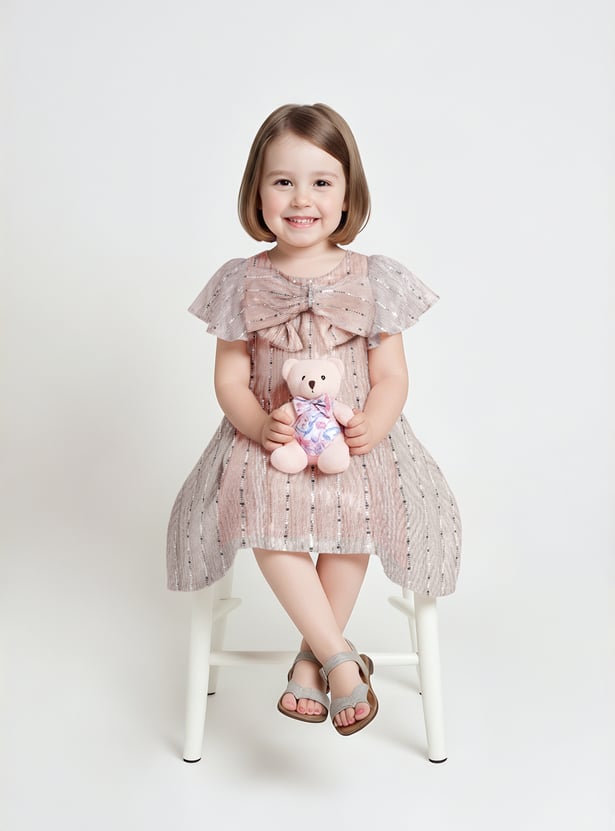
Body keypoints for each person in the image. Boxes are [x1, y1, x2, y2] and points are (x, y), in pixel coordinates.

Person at [167, 103, 461, 736]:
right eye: (283, 181)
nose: (302, 198)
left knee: (359, 508)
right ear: (257, 192)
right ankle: (340, 658)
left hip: (354, 440)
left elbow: (391, 376)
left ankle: (312, 661)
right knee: (258, 505)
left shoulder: (374, 278)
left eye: (321, 182)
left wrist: (374, 422)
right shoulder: (242, 281)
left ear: (348, 194)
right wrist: (256, 423)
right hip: (268, 439)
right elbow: (229, 379)